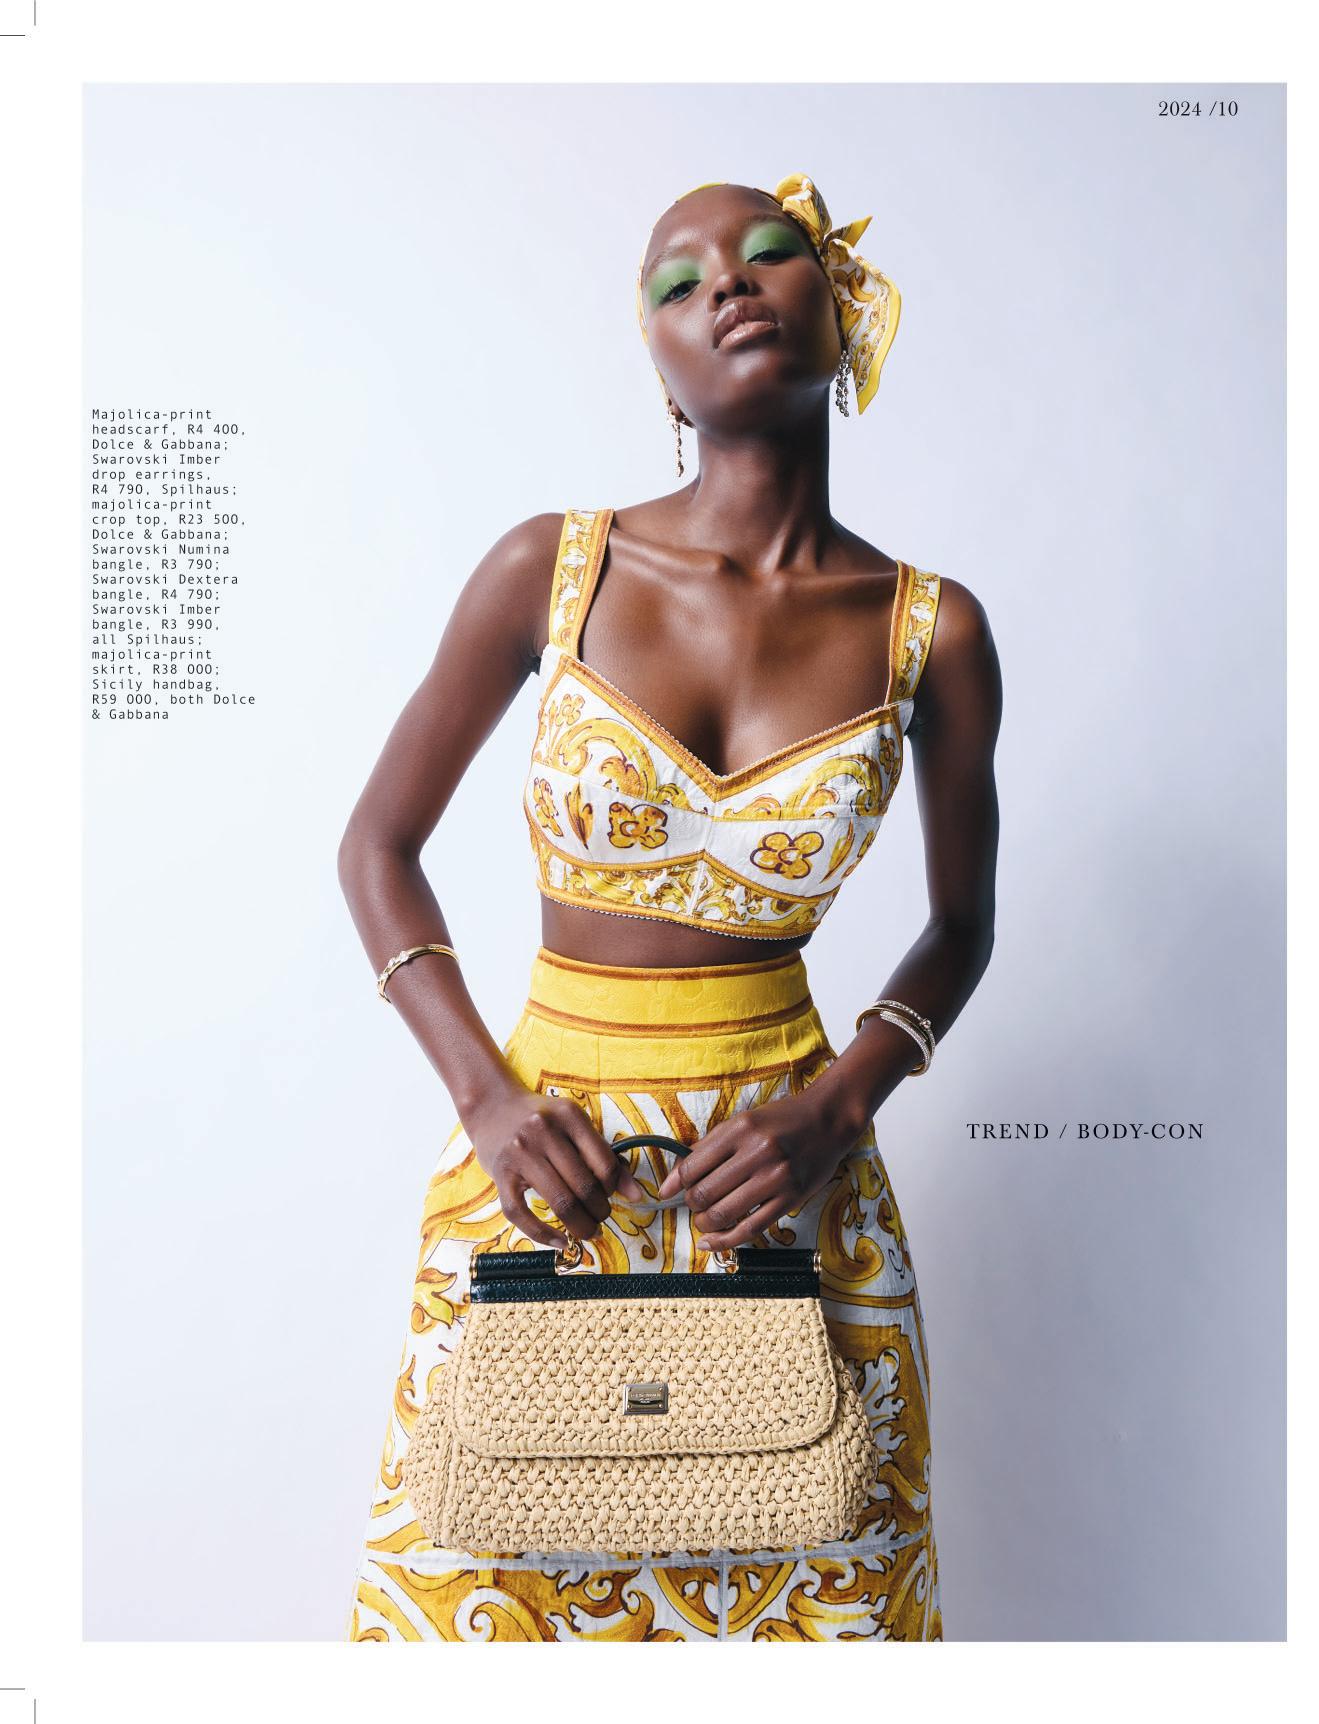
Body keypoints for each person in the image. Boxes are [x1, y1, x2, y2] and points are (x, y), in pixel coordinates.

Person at [339, 173, 1002, 1642]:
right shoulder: (551, 568)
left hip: (791, 1186)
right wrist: (486, 1101)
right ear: (656, 357)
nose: (727, 285)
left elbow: (961, 928)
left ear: (843, 309)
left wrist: (836, 1109)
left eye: (767, 255)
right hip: (545, 1169)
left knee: (824, 1609)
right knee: (469, 1608)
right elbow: (377, 847)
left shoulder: (932, 629)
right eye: (678, 280)